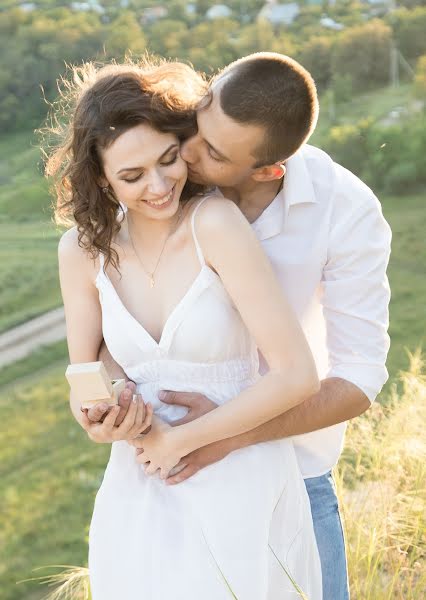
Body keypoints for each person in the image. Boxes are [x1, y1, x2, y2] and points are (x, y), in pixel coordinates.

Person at [96, 53, 392, 599]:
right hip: (165, 473)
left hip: (297, 479)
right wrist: (116, 396)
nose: (187, 153)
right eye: (198, 127)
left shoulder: (343, 209)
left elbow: (359, 379)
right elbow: (108, 322)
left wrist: (233, 434)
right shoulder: (163, 183)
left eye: (212, 152)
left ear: (266, 170)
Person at [51, 60, 323, 599]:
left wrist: (183, 439)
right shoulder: (81, 253)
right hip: (140, 489)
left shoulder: (214, 225)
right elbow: (84, 373)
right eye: (131, 176)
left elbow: (297, 375)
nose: (158, 186)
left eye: (168, 159)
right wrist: (99, 418)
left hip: (238, 478)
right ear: (100, 178)